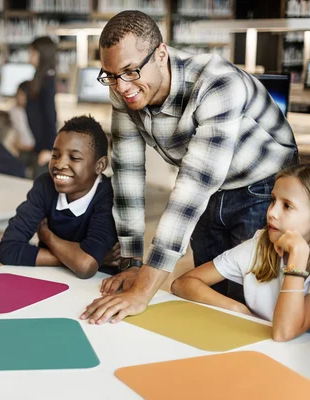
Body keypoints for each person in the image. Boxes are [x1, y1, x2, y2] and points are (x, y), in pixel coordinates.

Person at [81, 10, 298, 324]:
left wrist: (143, 293)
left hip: (262, 188)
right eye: (111, 75)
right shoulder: (121, 89)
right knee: (211, 304)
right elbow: (127, 175)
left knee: (253, 305)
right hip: (213, 190)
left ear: (161, 54)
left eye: (130, 72)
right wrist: (131, 266)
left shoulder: (216, 82)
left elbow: (192, 188)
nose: (121, 86)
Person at [171, 165, 310, 342]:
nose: (272, 212)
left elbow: (284, 332)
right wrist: (238, 310)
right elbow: (182, 284)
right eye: (272, 200)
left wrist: (297, 257)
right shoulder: (260, 245)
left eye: (287, 206)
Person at [0, 115, 117, 279]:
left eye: (74, 157)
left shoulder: (110, 195)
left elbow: (85, 267)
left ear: (100, 165)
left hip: (99, 287)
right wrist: (78, 259)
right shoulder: (45, 185)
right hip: (50, 280)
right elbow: (7, 249)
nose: (59, 165)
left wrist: (49, 238)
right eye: (55, 155)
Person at [25, 36, 58, 178]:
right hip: (37, 145)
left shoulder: (48, 81)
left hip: (45, 148)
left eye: (32, 53)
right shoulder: (38, 79)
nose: (29, 58)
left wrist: (50, 149)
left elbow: (50, 116)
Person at [9, 80, 36, 154]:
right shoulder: (14, 111)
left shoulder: (34, 112)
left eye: (21, 94)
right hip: (19, 148)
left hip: (33, 149)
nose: (17, 97)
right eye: (17, 94)